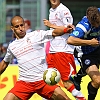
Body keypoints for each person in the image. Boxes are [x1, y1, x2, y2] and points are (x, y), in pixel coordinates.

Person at [0, 15, 74, 100]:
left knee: (65, 98)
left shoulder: (36, 35)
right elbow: (4, 64)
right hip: (24, 83)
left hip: (42, 80)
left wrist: (65, 29)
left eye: (22, 25)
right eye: (17, 26)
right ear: (12, 28)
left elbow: (54, 33)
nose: (20, 28)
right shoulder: (12, 46)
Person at [43, 0, 86, 100]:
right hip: (53, 51)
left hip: (63, 51)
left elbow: (69, 28)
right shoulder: (51, 10)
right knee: (48, 82)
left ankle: (81, 98)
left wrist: (51, 25)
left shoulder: (64, 10)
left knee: (67, 83)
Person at [67, 6, 100, 100]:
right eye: (94, 24)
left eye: (98, 22)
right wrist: (90, 42)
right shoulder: (83, 26)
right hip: (86, 53)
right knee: (97, 81)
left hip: (98, 47)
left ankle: (77, 77)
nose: (97, 25)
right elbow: (70, 40)